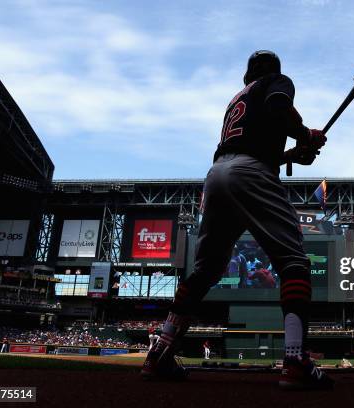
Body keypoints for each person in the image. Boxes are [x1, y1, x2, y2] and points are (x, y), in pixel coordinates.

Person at [141, 50, 332, 390]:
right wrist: (306, 136)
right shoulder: (277, 83)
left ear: (247, 74)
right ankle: (295, 359)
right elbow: (278, 108)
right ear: (274, 71)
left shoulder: (237, 99)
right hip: (250, 172)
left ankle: (160, 350)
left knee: (206, 271)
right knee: (293, 263)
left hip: (216, 175)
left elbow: (256, 141)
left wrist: (293, 154)